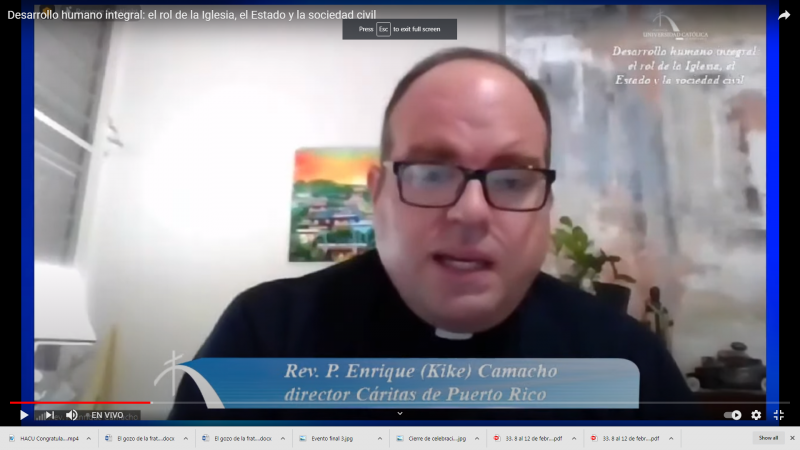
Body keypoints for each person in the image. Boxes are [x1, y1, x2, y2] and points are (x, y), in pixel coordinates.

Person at [169, 47, 701, 420]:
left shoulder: (628, 364)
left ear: (546, 205)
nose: (471, 212)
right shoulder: (263, 339)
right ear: (378, 194)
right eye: (430, 173)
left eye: (512, 180)